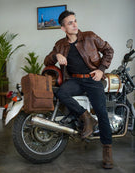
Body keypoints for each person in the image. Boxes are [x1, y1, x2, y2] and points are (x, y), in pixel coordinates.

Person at [44, 10, 114, 169]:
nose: (75, 24)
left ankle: (107, 150)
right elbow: (46, 60)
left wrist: (101, 69)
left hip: (92, 79)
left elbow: (108, 50)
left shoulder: (89, 36)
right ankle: (87, 117)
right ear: (63, 28)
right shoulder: (60, 45)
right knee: (61, 93)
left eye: (75, 21)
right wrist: (56, 57)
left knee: (102, 112)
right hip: (74, 79)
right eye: (70, 23)